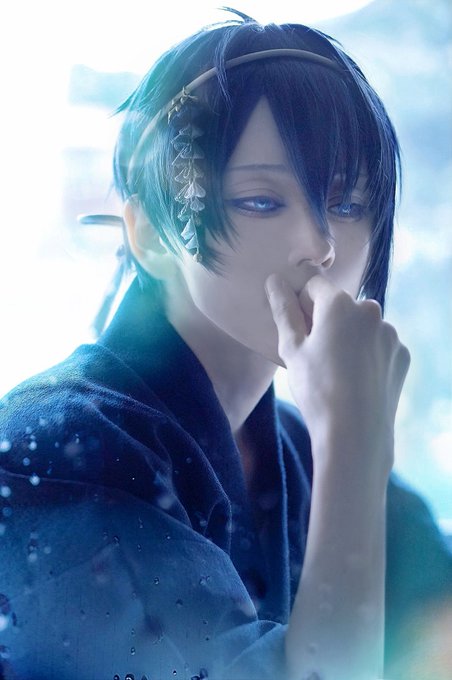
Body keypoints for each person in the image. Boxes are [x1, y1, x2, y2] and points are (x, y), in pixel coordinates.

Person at [0, 9, 451, 680]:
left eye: (347, 203)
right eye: (262, 202)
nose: (320, 246)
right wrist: (357, 440)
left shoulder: (297, 448)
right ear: (150, 235)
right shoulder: (59, 454)